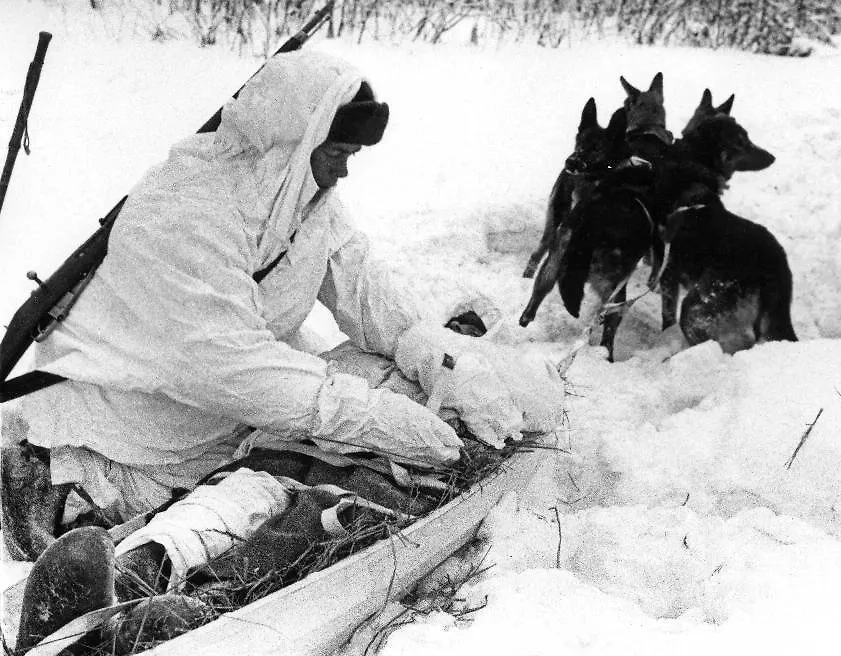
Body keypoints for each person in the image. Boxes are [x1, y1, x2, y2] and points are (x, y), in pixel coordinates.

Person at [2, 50, 563, 563]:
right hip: (124, 438)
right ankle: (117, 546)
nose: (343, 170)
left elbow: (371, 301)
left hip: (223, 421)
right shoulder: (182, 211)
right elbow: (225, 366)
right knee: (346, 420)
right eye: (337, 152)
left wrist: (444, 362)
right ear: (295, 143)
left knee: (383, 381)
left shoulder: (302, 198)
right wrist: (373, 416)